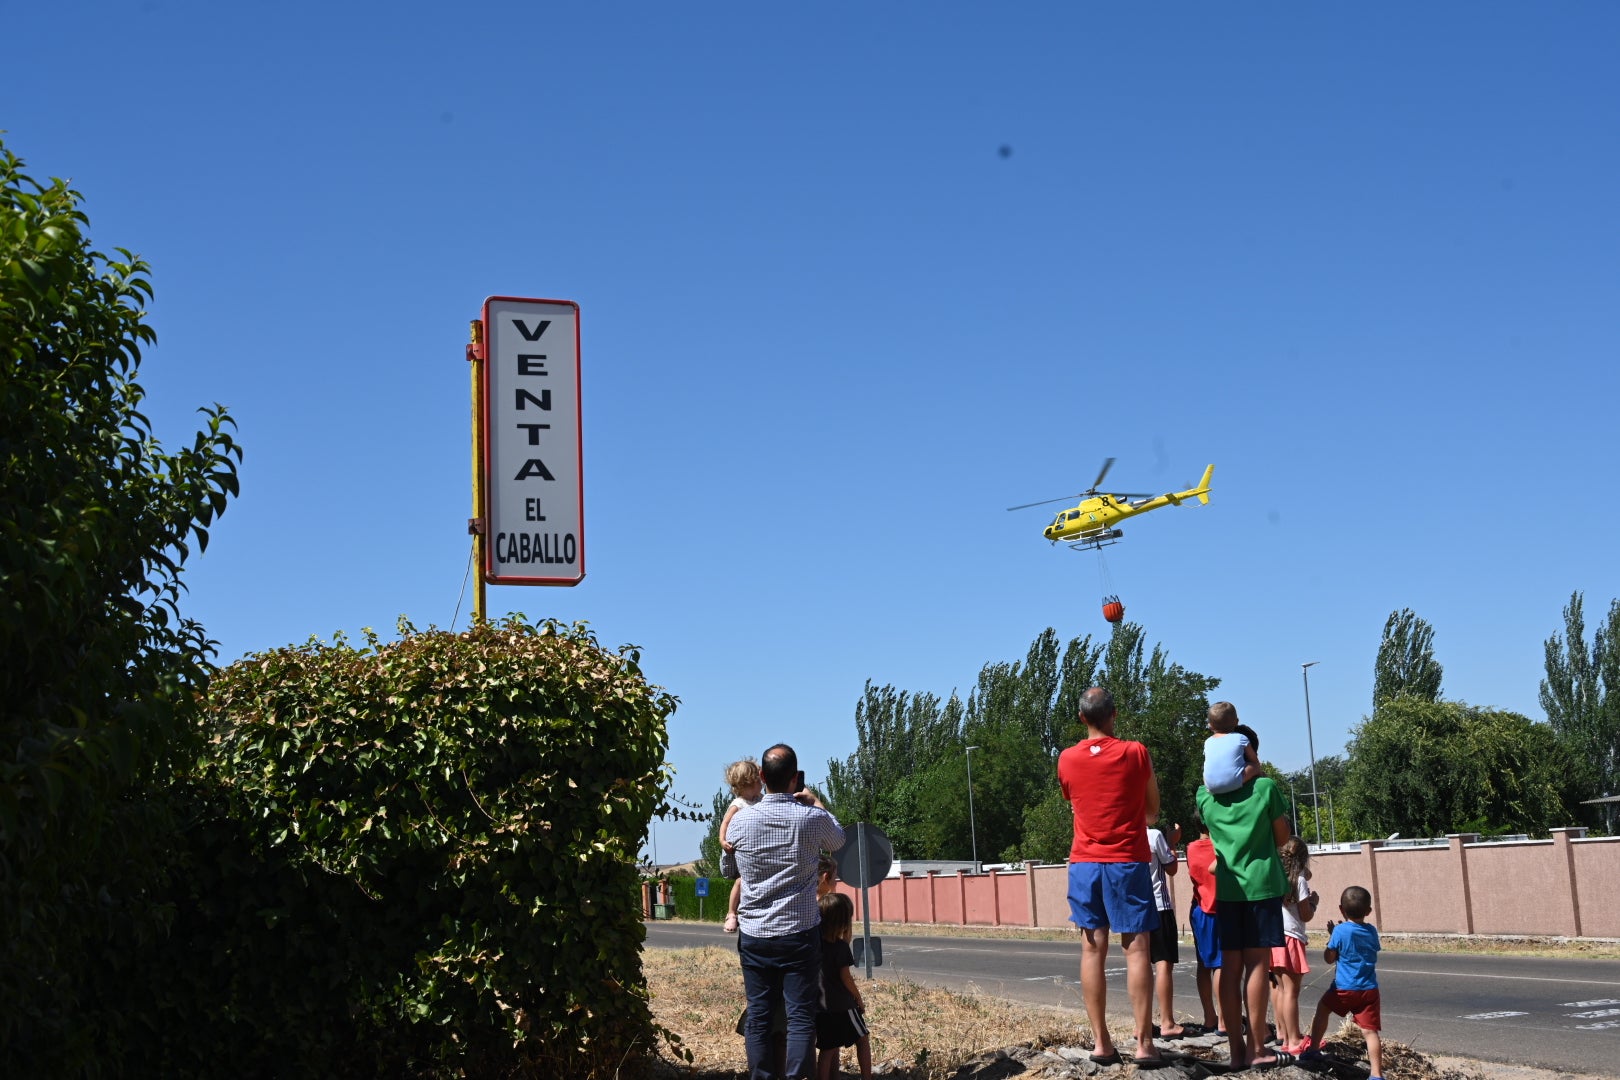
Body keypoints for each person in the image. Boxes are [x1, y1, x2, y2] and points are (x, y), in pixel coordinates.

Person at [721, 745, 845, 1080]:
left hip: (755, 934)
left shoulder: (740, 821)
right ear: (794, 779)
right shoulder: (811, 817)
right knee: (800, 1016)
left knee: (759, 1016)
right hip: (799, 933)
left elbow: (727, 868)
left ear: (761, 777)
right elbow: (837, 841)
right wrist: (815, 801)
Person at [1057, 687, 1166, 1069]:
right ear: (1114, 715)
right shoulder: (1136, 752)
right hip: (1126, 861)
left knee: (1092, 949)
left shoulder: (1067, 759)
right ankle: (1144, 1044)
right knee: (1137, 950)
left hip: (1085, 862)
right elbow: (1152, 812)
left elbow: (1074, 801)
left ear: (1082, 718)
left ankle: (1101, 1043)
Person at [1194, 713, 1292, 1070]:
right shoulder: (1266, 789)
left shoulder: (1204, 796)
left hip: (1228, 890)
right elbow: (1283, 838)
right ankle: (1258, 1049)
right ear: (1246, 754)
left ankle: (1235, 1051)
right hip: (1261, 886)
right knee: (1257, 967)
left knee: (1229, 968)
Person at [1304, 886, 1384, 1080]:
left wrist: (1333, 937)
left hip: (1344, 988)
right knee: (1370, 1032)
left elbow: (1329, 958)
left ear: (1341, 909)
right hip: (1369, 989)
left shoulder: (1340, 931)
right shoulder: (1372, 931)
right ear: (1369, 912)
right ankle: (1376, 1074)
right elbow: (1370, 949)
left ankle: (1314, 1048)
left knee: (1323, 1009)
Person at [815, 893, 872, 1080]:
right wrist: (858, 998)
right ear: (844, 921)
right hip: (843, 1005)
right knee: (862, 1039)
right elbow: (846, 978)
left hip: (821, 1006)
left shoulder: (815, 945)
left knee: (827, 1048)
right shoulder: (840, 948)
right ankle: (867, 1077)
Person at [1268, 837, 1318, 1054]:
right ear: (1302, 859)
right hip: (1292, 938)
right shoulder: (1298, 881)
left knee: (1280, 989)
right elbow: (1305, 915)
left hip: (1274, 936)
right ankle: (1295, 1039)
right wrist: (1314, 902)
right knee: (1292, 992)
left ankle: (1286, 1037)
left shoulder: (1274, 878)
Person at [1184, 813, 1224, 1035]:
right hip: (1218, 907)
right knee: (1221, 965)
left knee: (1203, 964)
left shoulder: (1191, 848)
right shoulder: (1221, 846)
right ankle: (1225, 1021)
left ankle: (1210, 1016)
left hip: (1199, 908)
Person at [1145, 822, 1185, 1039]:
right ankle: (1167, 1022)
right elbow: (1171, 868)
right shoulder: (1153, 835)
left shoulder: (1123, 834)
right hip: (1159, 906)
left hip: (1135, 909)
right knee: (1163, 964)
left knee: (1139, 965)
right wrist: (1171, 842)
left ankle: (1142, 1024)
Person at [720, 758, 765, 933]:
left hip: (757, 850)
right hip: (739, 852)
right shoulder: (738, 804)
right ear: (750, 783)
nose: (762, 783)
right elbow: (725, 823)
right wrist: (722, 840)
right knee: (740, 881)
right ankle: (731, 913)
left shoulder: (762, 799)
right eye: (759, 781)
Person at [1203, 700, 1262, 795]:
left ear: (1210, 726)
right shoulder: (1241, 738)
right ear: (1237, 722)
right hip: (1233, 782)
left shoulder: (1207, 742)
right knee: (1255, 765)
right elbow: (1253, 759)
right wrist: (1257, 769)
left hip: (1210, 786)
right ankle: (1260, 777)